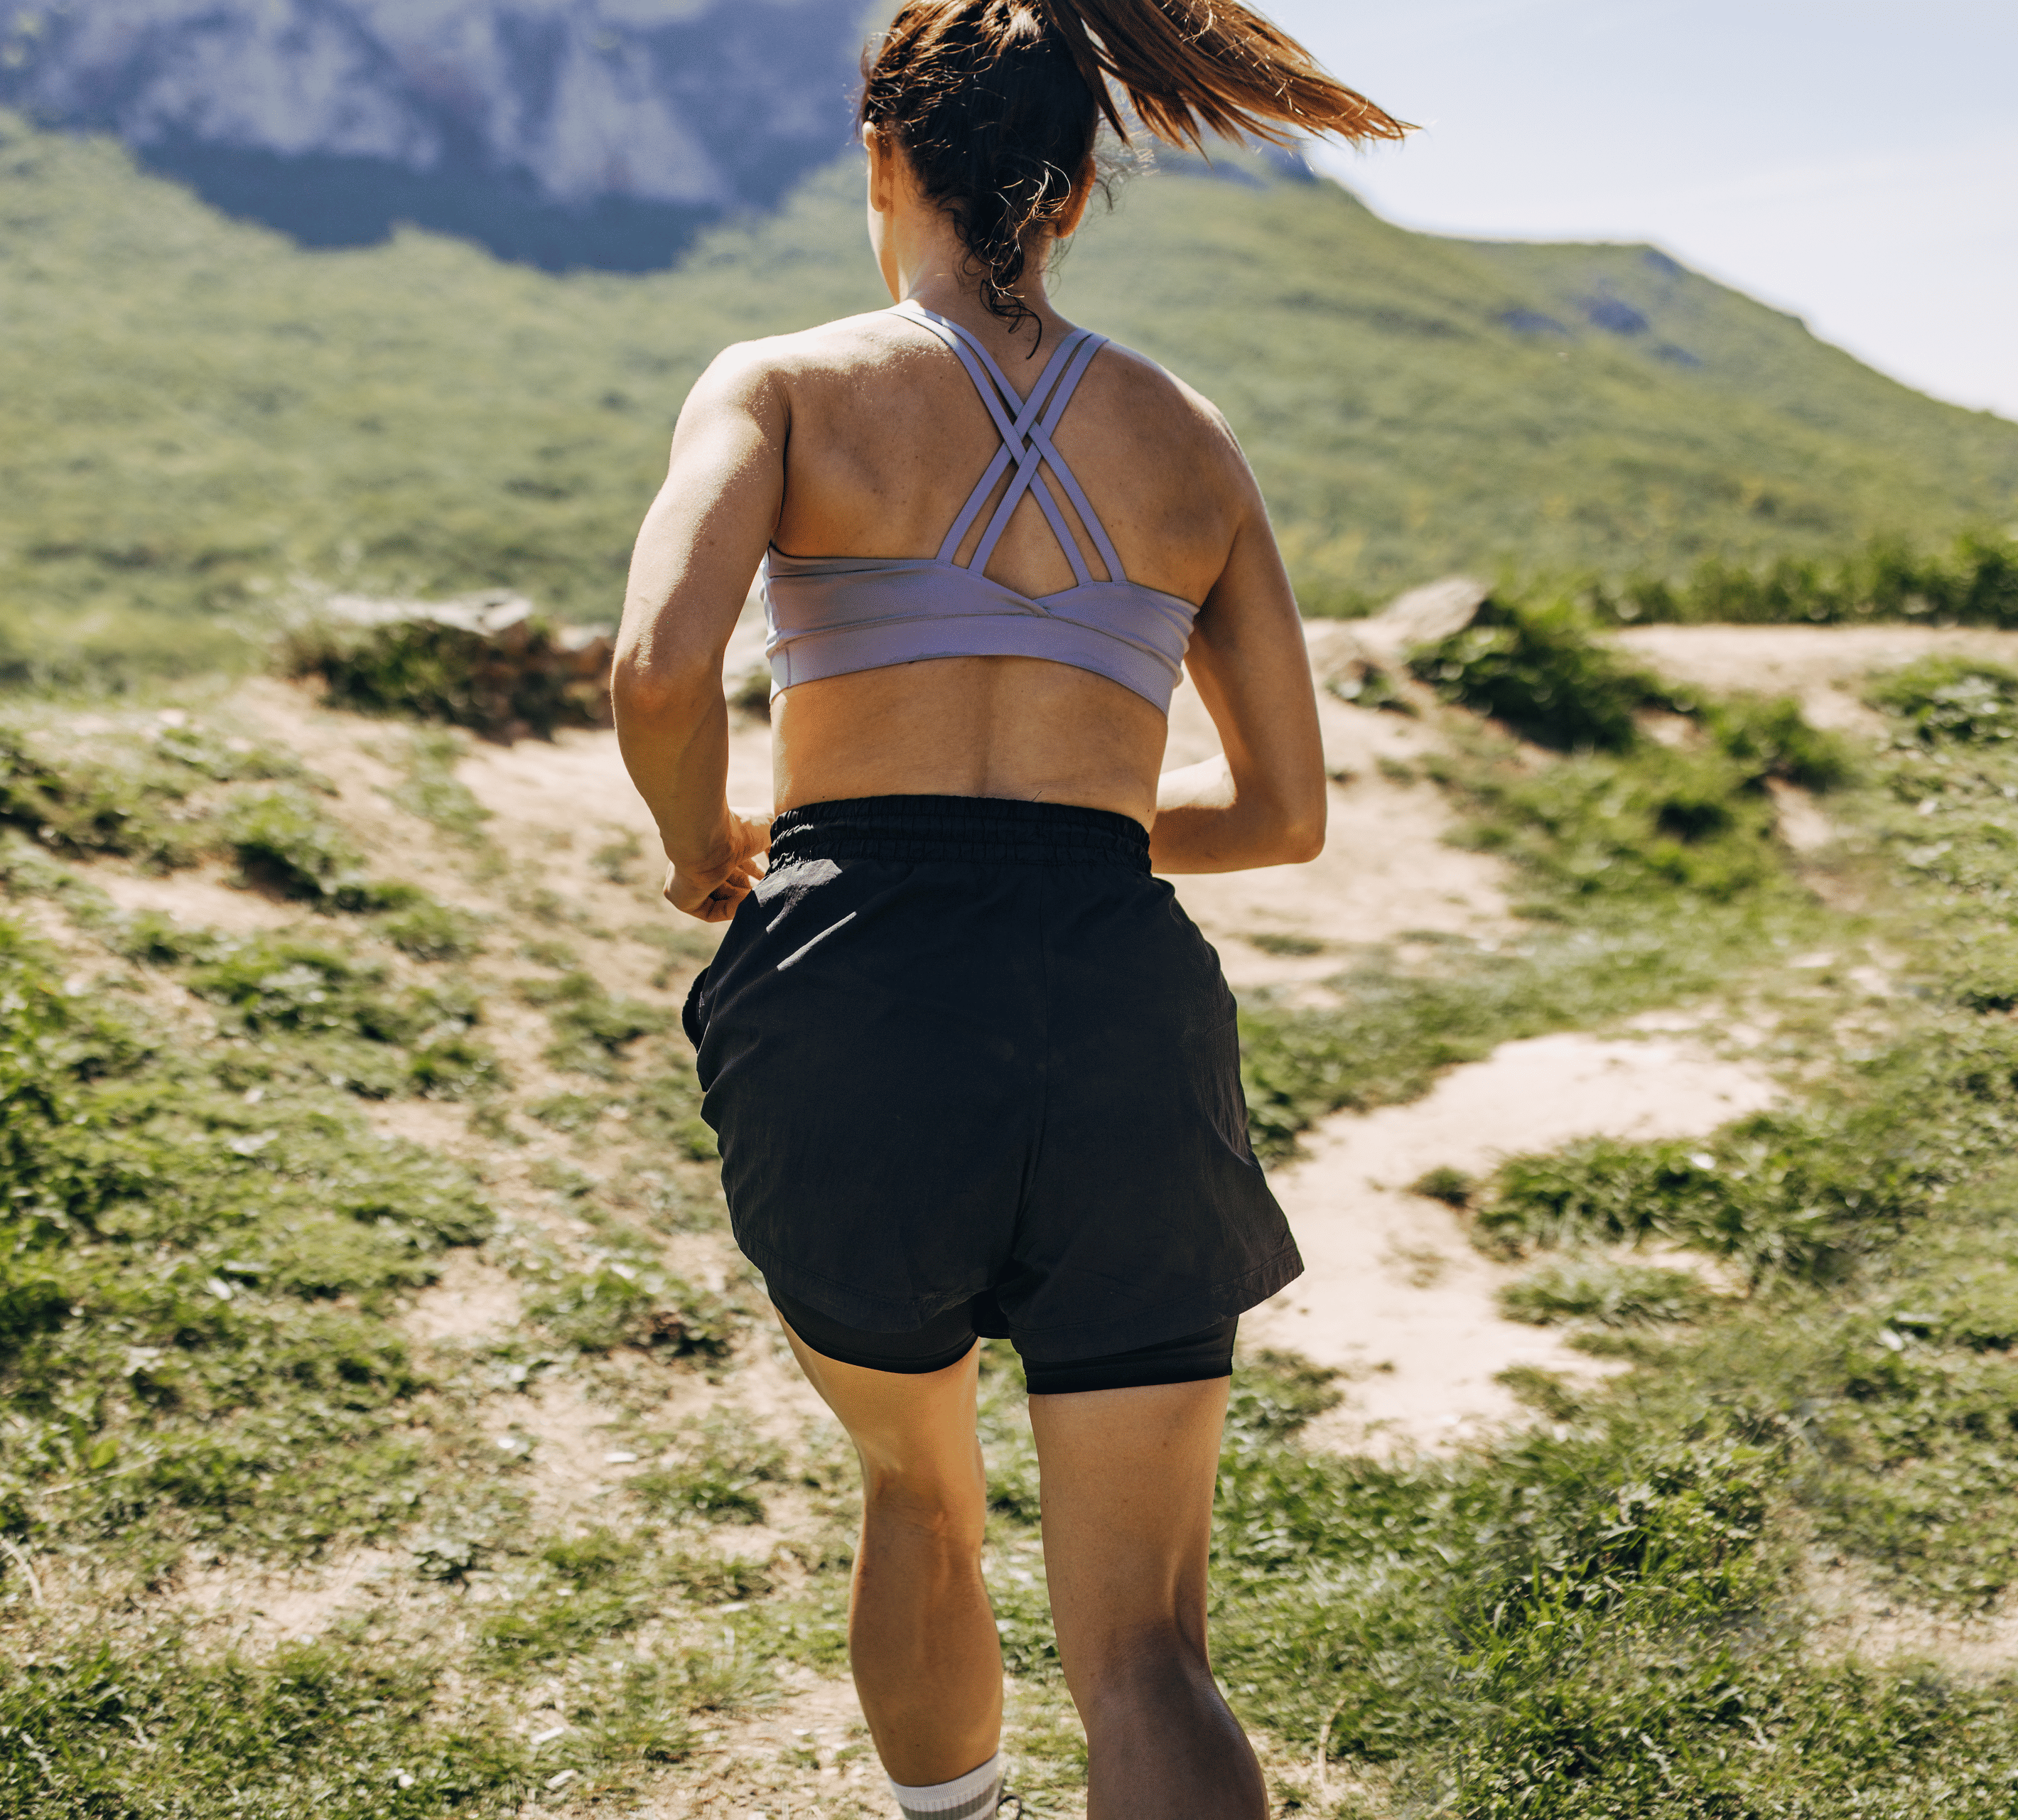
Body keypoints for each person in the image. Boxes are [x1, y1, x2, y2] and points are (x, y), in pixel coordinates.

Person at [613, 3, 1403, 1813]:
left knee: (921, 1490)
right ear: (1072, 193)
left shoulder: (785, 384)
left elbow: (661, 673)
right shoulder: (1185, 437)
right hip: (1117, 988)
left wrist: (702, 843)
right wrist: (1079, 818)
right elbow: (1285, 812)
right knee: (1150, 1650)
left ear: (881, 154)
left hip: (853, 969)